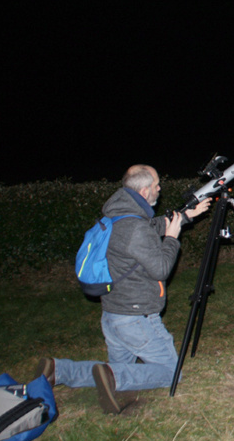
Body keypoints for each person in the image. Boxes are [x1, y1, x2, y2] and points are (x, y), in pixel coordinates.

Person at [34, 165, 211, 414]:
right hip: (136, 319)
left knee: (116, 370)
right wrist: (172, 238)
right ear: (145, 189)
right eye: (157, 184)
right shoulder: (135, 226)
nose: (160, 188)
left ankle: (59, 370)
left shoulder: (119, 215)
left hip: (114, 315)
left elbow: (148, 228)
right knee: (172, 372)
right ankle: (114, 377)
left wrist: (185, 216)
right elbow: (161, 268)